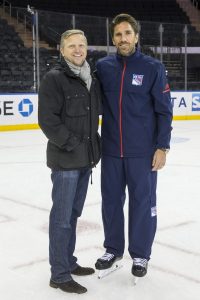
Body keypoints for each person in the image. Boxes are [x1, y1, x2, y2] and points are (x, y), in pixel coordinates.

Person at [95, 14, 173, 278]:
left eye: (127, 33)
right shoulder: (103, 67)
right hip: (112, 150)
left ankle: (140, 254)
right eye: (118, 34)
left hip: (143, 153)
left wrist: (162, 146)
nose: (123, 38)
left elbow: (164, 111)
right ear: (113, 38)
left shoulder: (152, 67)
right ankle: (113, 248)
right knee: (111, 202)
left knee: (143, 202)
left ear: (136, 36)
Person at [38, 29, 102, 294]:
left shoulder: (91, 79)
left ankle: (69, 261)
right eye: (72, 46)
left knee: (73, 215)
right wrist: (73, 144)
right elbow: (48, 121)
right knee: (62, 218)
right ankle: (60, 274)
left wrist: (90, 150)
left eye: (82, 45)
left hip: (85, 161)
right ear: (62, 50)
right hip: (65, 162)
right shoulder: (54, 79)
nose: (78, 50)